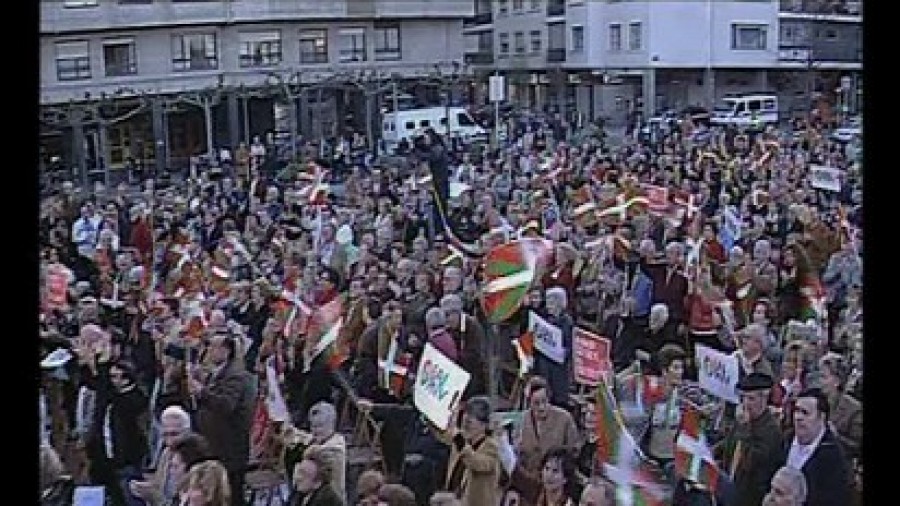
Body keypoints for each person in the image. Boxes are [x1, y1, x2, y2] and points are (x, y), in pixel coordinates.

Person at [191, 334, 256, 506]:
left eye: (213, 347)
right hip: (215, 445)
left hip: (229, 449)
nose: (209, 351)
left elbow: (226, 405)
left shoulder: (236, 376)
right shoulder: (217, 373)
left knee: (232, 495)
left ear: (226, 351)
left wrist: (202, 392)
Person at [718, 372, 784, 506]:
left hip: (750, 497)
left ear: (764, 398)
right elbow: (728, 445)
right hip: (728, 488)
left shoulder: (771, 430)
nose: (745, 404)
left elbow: (751, 462)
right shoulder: (743, 421)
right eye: (743, 398)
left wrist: (745, 428)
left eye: (751, 399)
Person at [782, 388, 851, 506]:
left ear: (822, 417)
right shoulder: (785, 441)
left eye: (805, 412)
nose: (798, 417)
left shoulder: (834, 457)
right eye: (796, 411)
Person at [128, 405, 194, 506]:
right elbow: (159, 486)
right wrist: (145, 489)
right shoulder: (166, 454)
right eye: (165, 435)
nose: (170, 441)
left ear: (188, 432)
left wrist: (154, 497)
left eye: (174, 434)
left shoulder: (195, 459)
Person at [516, 377, 581, 477]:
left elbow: (574, 451)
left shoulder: (565, 418)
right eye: (536, 403)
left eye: (544, 401)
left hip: (556, 478)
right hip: (529, 477)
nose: (541, 407)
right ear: (529, 403)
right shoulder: (522, 420)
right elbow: (518, 451)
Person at [444, 396, 500, 506]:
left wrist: (459, 440)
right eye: (464, 423)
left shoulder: (491, 447)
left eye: (469, 423)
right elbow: (443, 434)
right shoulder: (461, 440)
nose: (466, 427)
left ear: (484, 424)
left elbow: (477, 463)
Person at [532, 287, 574, 408]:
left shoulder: (567, 321)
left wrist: (562, 353)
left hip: (558, 366)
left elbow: (568, 345)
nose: (548, 306)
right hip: (543, 363)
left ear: (559, 303)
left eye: (551, 303)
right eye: (547, 302)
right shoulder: (544, 319)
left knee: (558, 397)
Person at [817, 353, 862, 462]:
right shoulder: (815, 401)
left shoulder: (854, 409)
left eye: (824, 377)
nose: (820, 381)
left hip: (840, 465)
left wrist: (835, 436)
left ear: (837, 381)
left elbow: (857, 447)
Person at [302, 402, 347, 502]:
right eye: (313, 426)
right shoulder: (321, 440)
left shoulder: (336, 447)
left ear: (332, 425)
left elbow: (321, 452)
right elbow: (307, 437)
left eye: (320, 426)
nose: (315, 431)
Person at [506, 447, 580, 506]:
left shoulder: (569, 503)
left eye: (555, 471)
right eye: (547, 468)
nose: (549, 475)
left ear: (565, 478)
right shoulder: (535, 488)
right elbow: (515, 470)